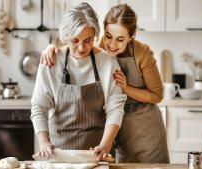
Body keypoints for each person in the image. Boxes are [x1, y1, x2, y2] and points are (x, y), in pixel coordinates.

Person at [40, 4, 170, 163]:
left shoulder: (142, 53)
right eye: (108, 36)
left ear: (132, 36)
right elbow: (78, 40)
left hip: (145, 128)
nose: (112, 45)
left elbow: (157, 96)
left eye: (120, 39)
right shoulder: (100, 49)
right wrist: (53, 47)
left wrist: (126, 88)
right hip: (118, 131)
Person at [30, 2, 126, 161]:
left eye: (88, 40)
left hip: (96, 155)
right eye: (75, 40)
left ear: (95, 35)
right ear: (65, 36)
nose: (82, 48)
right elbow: (39, 106)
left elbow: (115, 107)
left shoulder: (107, 62)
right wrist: (44, 142)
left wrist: (105, 145)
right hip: (59, 154)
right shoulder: (51, 62)